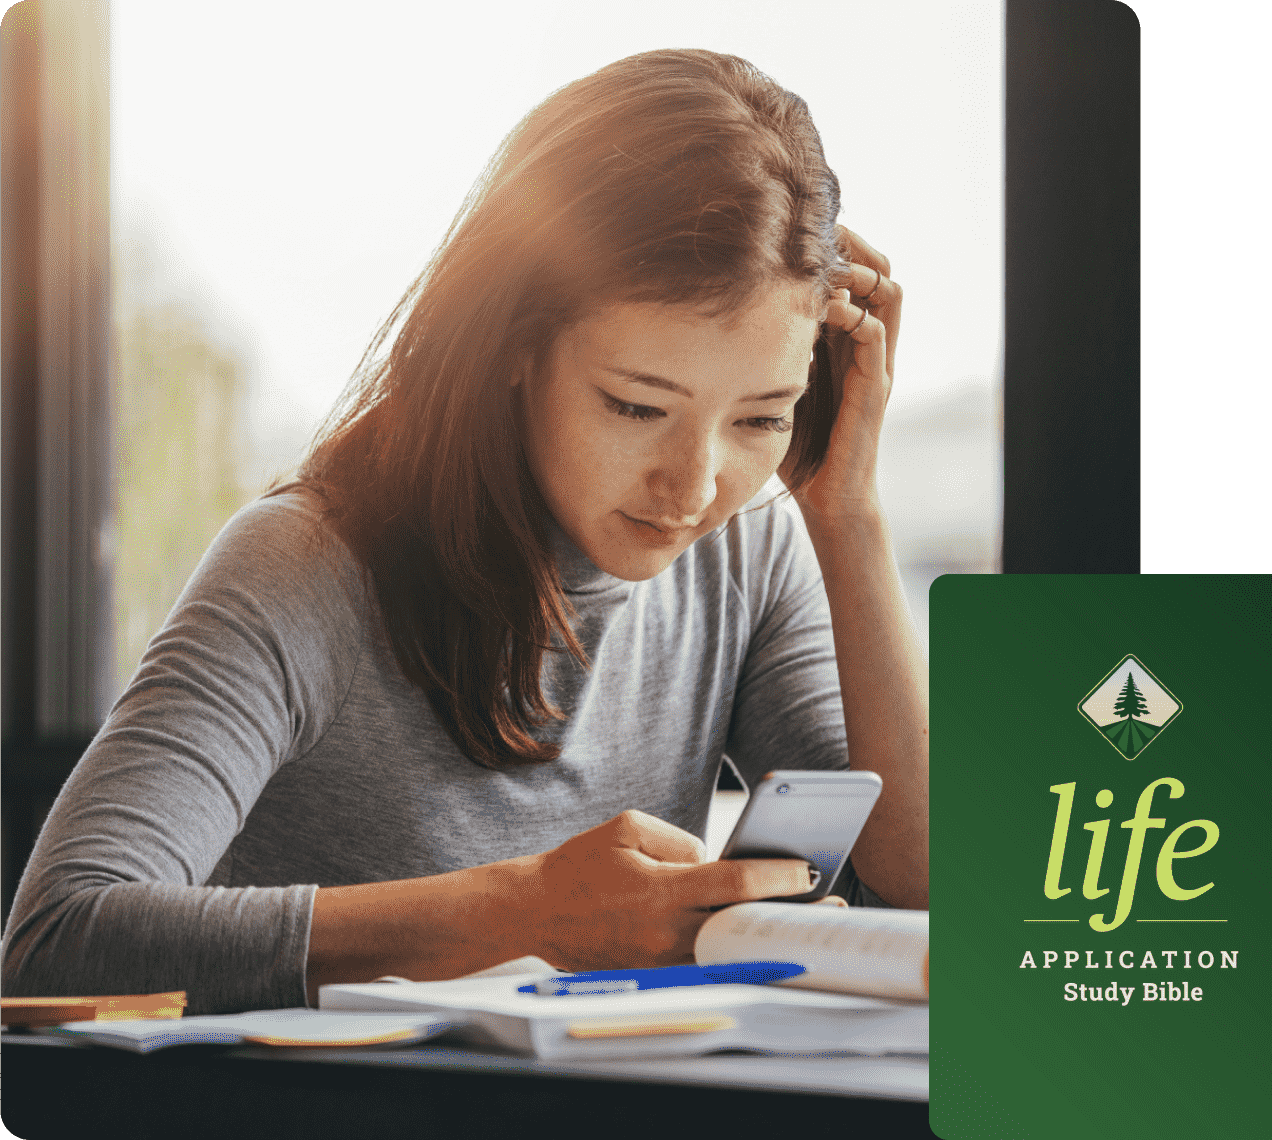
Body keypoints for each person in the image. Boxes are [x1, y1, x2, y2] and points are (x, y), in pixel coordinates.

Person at [1, 49, 927, 1016]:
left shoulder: (746, 554)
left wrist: (848, 513)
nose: (695, 487)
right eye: (633, 406)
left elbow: (935, 889)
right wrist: (522, 914)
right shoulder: (306, 565)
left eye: (760, 419)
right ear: (514, 345)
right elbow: (59, 937)